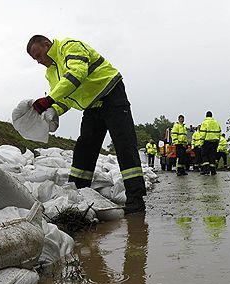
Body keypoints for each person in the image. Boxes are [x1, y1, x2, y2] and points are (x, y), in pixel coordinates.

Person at [27, 35, 146, 213]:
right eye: (35, 59)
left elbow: (76, 74)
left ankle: (135, 200)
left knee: (124, 145)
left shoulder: (69, 47)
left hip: (111, 94)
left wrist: (48, 100)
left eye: (39, 55)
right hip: (92, 107)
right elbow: (64, 97)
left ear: (46, 45)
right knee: (84, 149)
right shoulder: (51, 72)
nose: (39, 61)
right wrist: (53, 110)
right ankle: (78, 195)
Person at [199, 111, 221, 175]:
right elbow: (219, 133)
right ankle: (213, 171)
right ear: (211, 116)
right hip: (215, 142)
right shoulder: (216, 123)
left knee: (204, 155)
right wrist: (218, 141)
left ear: (206, 116)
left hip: (206, 142)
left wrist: (201, 143)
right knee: (212, 156)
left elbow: (203, 134)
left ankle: (206, 170)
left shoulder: (204, 123)